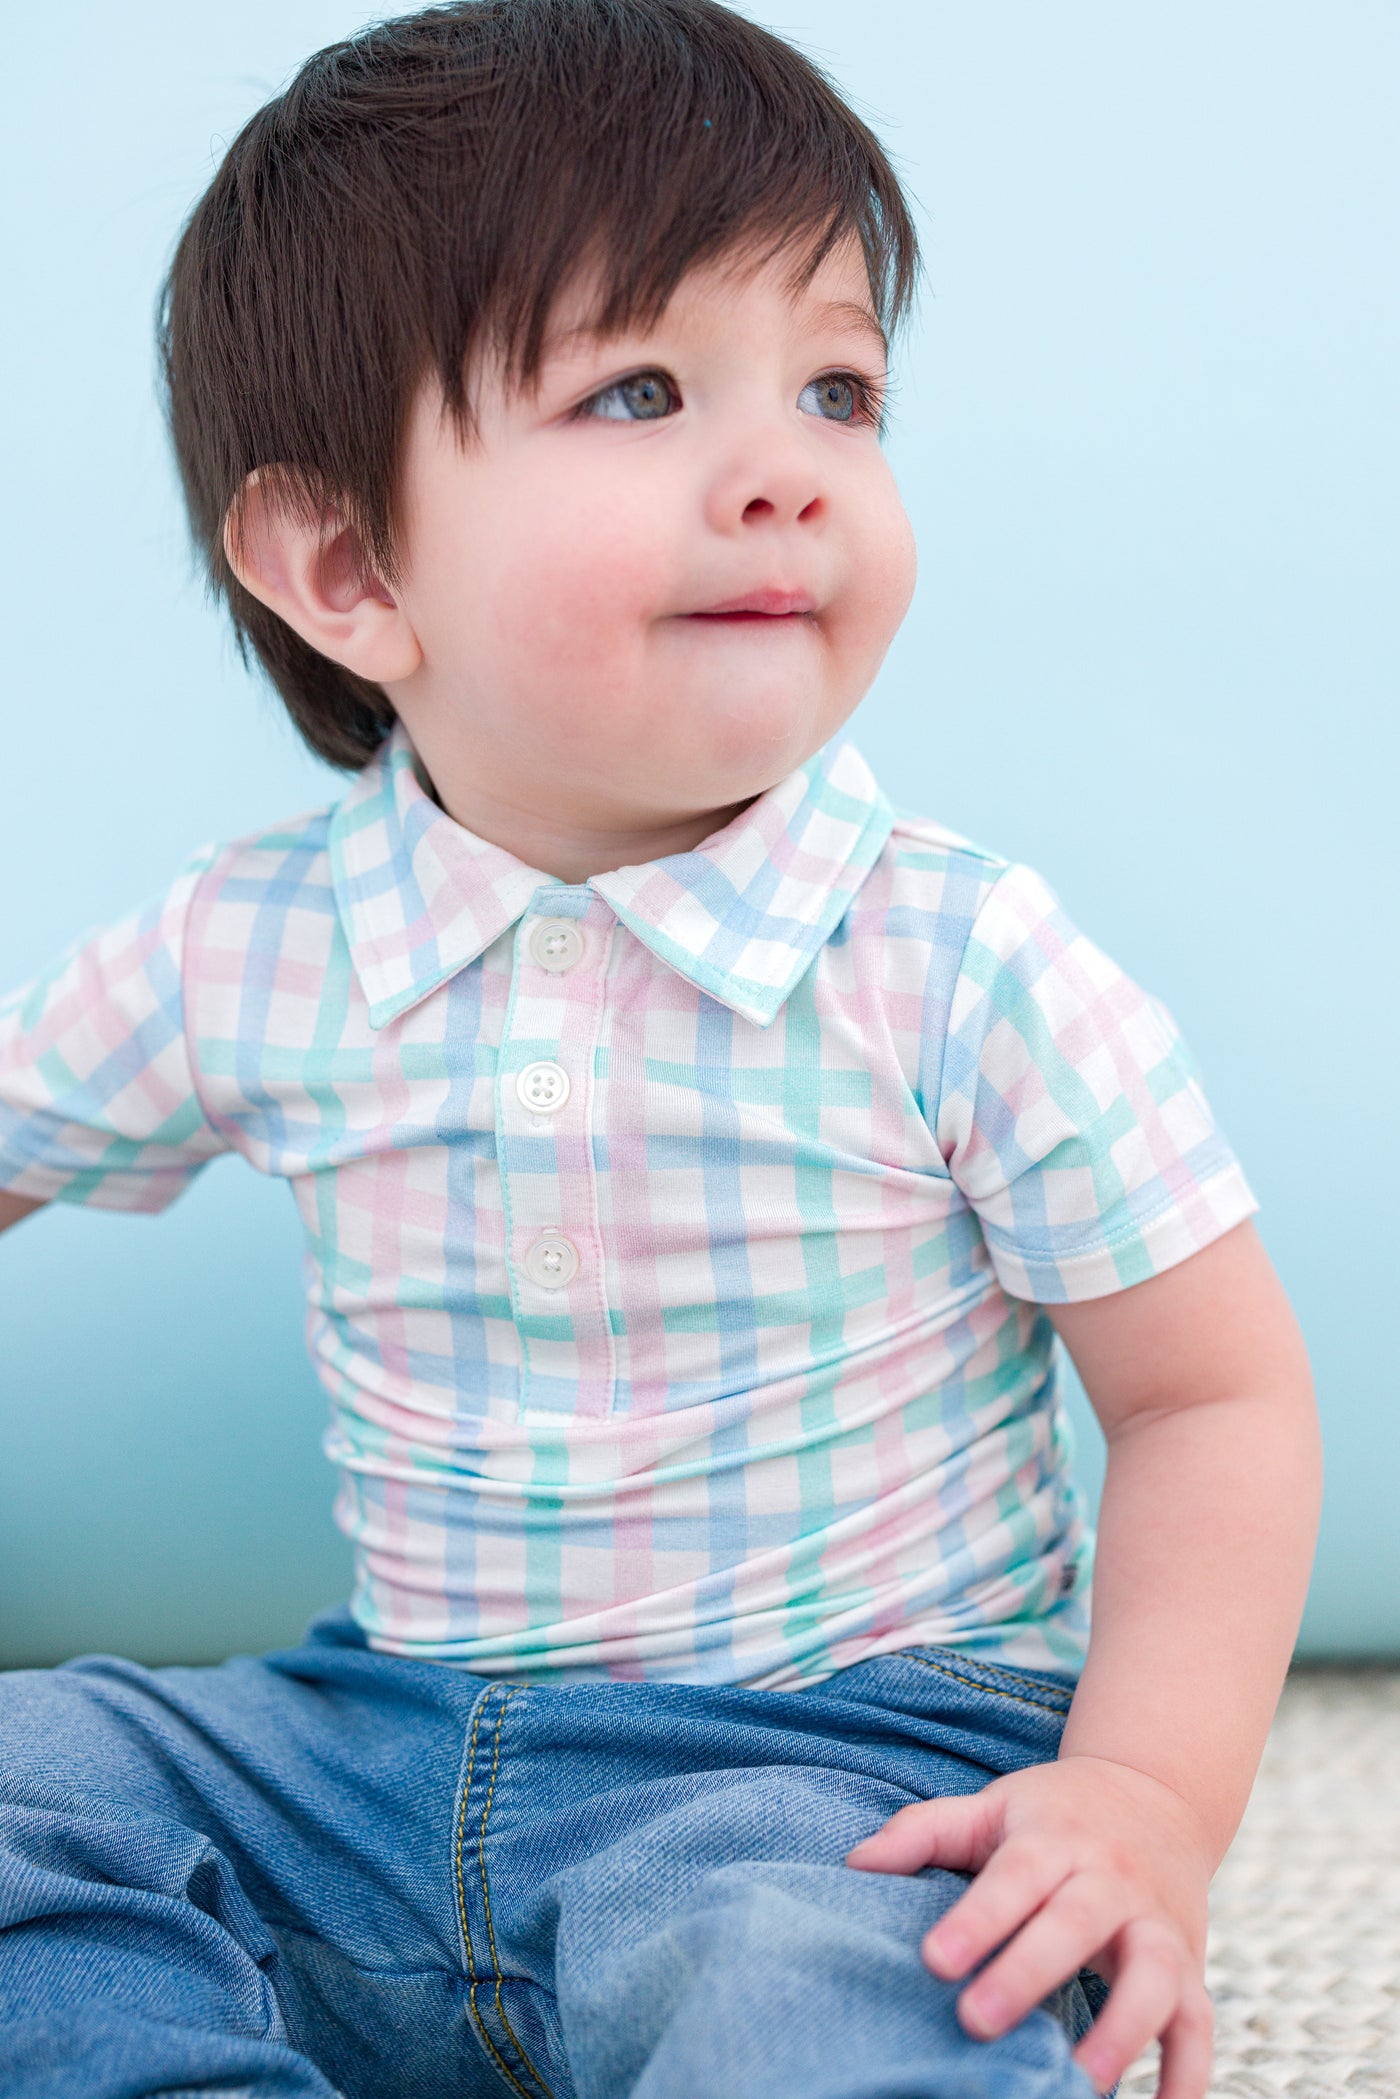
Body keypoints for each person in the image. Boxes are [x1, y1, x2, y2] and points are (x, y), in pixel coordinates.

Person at [0, 2, 1322, 2095]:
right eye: (640, 387)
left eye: (836, 387)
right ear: (344, 564)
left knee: (837, 1988)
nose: (788, 466)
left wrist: (1145, 1798)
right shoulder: (253, 947)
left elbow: (1217, 1400)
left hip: (830, 1775)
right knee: (30, 1779)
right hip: (371, 1760)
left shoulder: (952, 956)